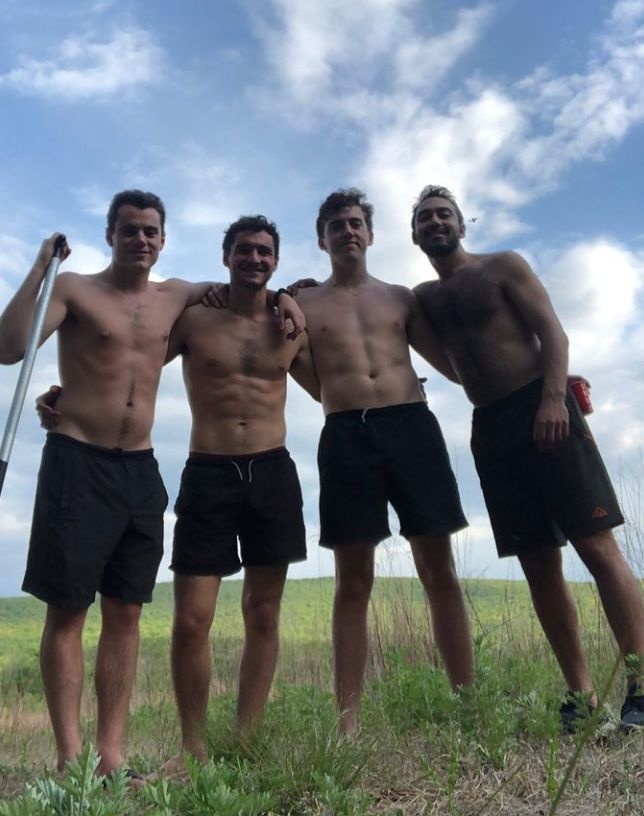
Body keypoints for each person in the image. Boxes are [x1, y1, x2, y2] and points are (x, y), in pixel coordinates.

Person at [0, 191, 304, 779]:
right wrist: (41, 267)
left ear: (163, 240)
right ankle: (70, 760)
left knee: (126, 612)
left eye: (150, 232)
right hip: (79, 459)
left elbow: (254, 287)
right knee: (69, 610)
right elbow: (9, 347)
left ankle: (110, 757)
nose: (140, 240)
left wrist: (289, 294)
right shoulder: (75, 289)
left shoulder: (178, 297)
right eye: (129, 230)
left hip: (140, 469)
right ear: (110, 234)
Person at [411, 184, 644, 731]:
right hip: (491, 427)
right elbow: (447, 363)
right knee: (538, 561)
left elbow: (552, 332)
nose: (435, 222)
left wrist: (553, 398)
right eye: (424, 218)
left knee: (596, 545)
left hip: (545, 407)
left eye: (444, 214)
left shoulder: (502, 266)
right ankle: (581, 696)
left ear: (461, 225)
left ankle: (640, 683)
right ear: (414, 235)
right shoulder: (424, 298)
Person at [292, 189, 474, 734]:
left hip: (411, 426)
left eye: (355, 223)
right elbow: (297, 368)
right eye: (336, 225)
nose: (347, 231)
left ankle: (467, 705)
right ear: (322, 240)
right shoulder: (303, 304)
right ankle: (347, 723)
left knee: (438, 568)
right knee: (353, 580)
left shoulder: (401, 298)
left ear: (370, 235)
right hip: (347, 433)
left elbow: (453, 364)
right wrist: (339, 399)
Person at [159, 215, 319, 776]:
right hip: (209, 472)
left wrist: (293, 295)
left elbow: (331, 386)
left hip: (272, 471)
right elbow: (132, 363)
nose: (255, 259)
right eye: (245, 250)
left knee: (263, 611)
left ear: (275, 261)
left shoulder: (289, 326)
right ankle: (193, 748)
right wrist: (69, 396)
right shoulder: (194, 320)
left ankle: (246, 742)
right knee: (191, 619)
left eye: (264, 252)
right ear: (226, 255)